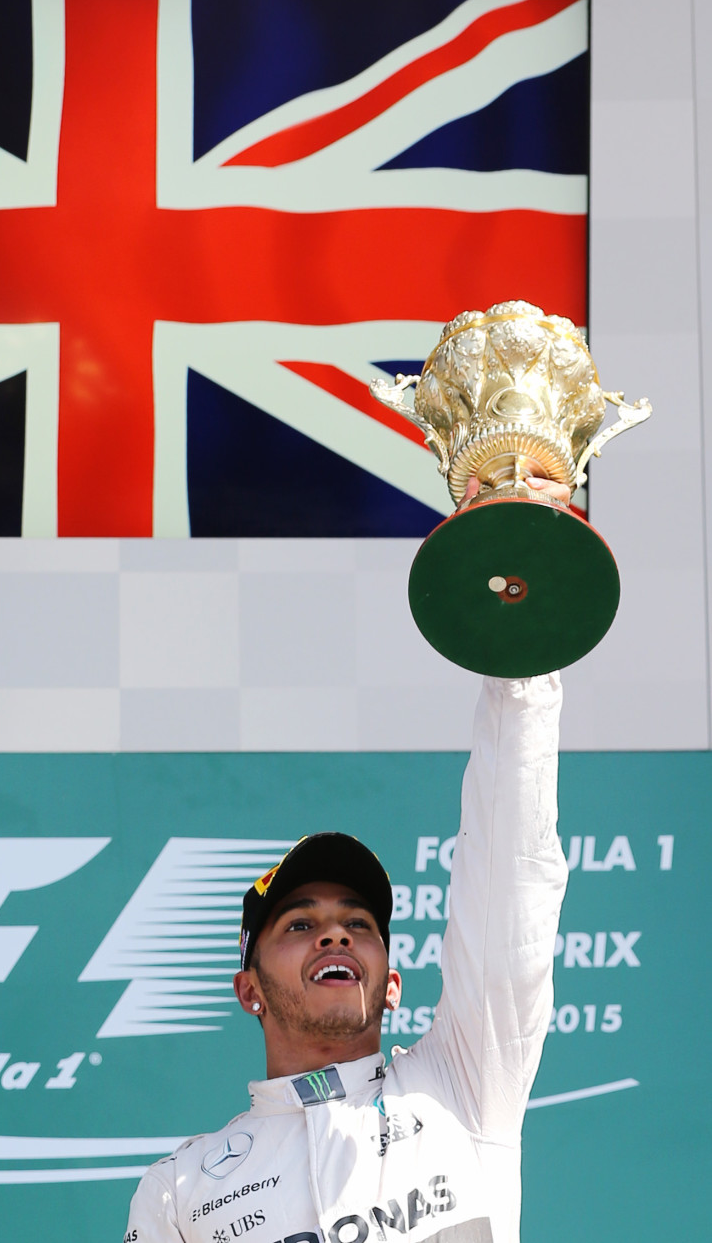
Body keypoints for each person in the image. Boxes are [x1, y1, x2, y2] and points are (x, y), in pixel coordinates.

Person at [126, 478, 571, 1243]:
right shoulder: (184, 1187)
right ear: (249, 987)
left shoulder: (462, 1082)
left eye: (357, 923)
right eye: (299, 923)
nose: (335, 936)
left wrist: (518, 660)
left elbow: (508, 888)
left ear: (392, 981)